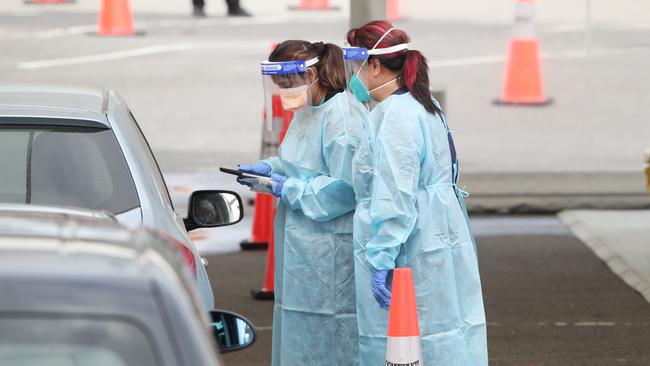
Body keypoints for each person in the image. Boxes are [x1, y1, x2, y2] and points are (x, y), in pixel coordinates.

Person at [346, 20, 488, 365]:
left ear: (375, 65)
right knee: (449, 330)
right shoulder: (423, 105)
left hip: (414, 247)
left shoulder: (396, 115)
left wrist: (380, 256)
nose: (353, 76)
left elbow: (396, 194)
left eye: (356, 66)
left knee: (412, 338)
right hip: (439, 236)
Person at [237, 40, 364, 365]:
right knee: (298, 328)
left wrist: (288, 188)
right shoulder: (308, 110)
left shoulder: (342, 118)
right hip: (301, 247)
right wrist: (270, 170)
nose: (284, 94)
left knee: (331, 332)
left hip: (329, 248)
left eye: (288, 85)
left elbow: (344, 189)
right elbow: (297, 162)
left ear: (310, 74)